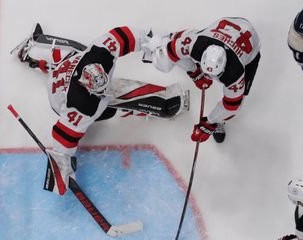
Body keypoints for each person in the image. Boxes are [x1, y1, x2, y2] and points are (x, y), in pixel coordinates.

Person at [12, 24, 187, 195]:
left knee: (76, 53)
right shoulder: (81, 106)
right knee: (116, 95)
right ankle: (163, 103)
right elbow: (62, 136)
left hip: (67, 69)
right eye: (99, 90)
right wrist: (63, 171)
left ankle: (32, 55)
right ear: (85, 85)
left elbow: (120, 36)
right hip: (59, 99)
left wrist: (152, 42)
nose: (104, 91)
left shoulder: (99, 54)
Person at [145, 17, 261, 143]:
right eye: (206, 72)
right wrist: (194, 71)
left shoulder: (234, 73)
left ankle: (219, 122)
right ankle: (172, 36)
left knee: (240, 97)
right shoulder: (196, 44)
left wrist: (210, 123)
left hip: (251, 42)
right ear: (202, 56)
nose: (208, 78)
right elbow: (172, 51)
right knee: (177, 44)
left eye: (213, 75)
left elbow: (232, 106)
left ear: (224, 69)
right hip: (228, 25)